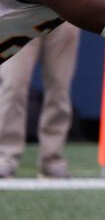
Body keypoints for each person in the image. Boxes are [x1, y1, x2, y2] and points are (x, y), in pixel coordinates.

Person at [0, 22, 79, 178]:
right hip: (23, 8)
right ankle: (6, 156)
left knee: (59, 88)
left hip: (65, 10)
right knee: (13, 85)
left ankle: (52, 159)